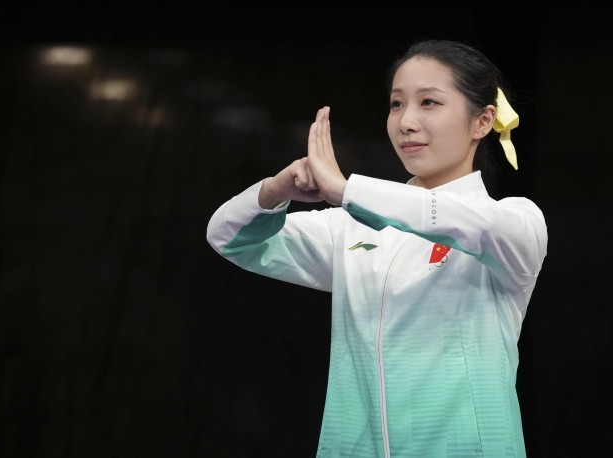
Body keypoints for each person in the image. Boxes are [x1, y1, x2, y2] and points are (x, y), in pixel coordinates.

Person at [206, 39, 547, 457]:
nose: (406, 122)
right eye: (397, 104)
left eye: (429, 102)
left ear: (483, 121)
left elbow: (465, 221)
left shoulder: (516, 222)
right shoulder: (349, 228)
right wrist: (275, 190)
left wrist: (347, 190)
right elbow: (228, 237)